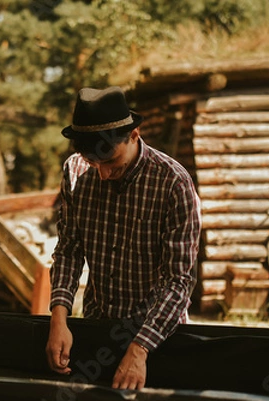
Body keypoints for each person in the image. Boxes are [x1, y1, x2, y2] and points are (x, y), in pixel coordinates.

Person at [45, 86, 202, 390]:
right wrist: (58, 318)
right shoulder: (75, 172)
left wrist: (140, 348)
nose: (102, 175)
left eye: (112, 162)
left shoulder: (174, 184)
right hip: (96, 324)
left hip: (159, 335)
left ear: (134, 135)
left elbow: (179, 281)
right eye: (94, 163)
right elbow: (68, 250)